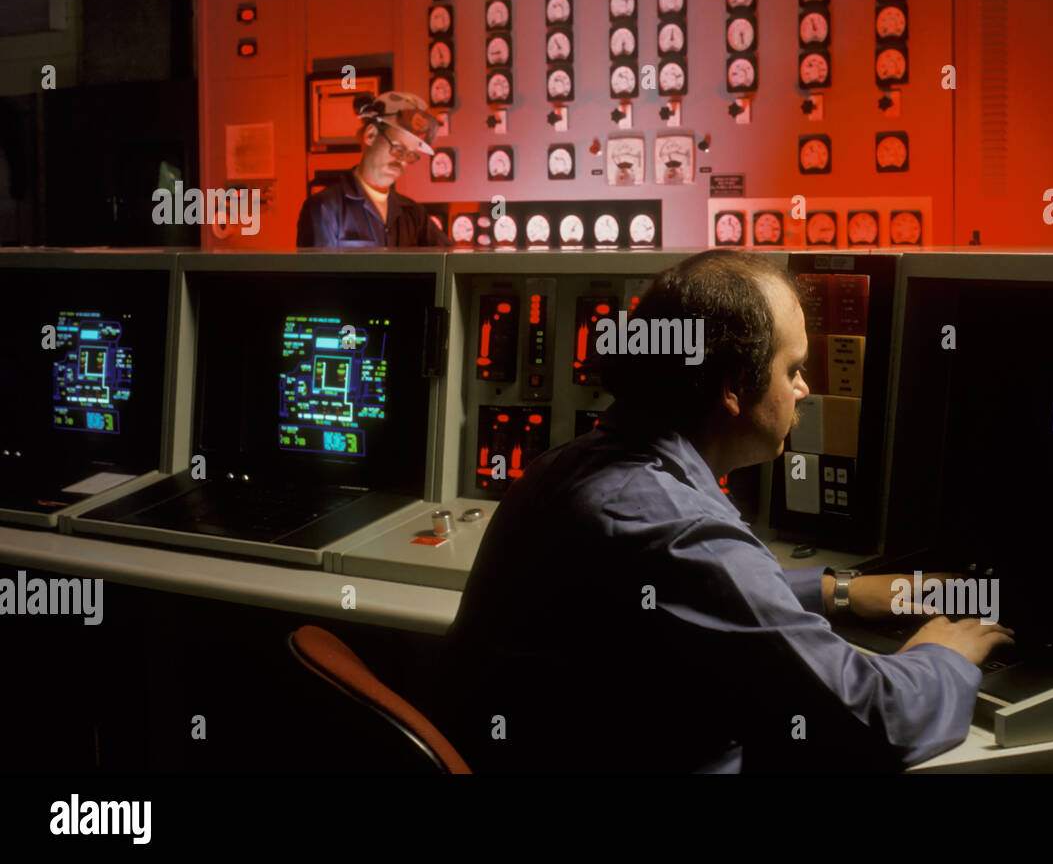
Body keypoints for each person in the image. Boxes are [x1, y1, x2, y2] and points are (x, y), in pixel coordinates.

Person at [433, 250, 1014, 772]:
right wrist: (945, 653)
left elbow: (711, 592)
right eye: (792, 369)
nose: (804, 390)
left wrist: (840, 591)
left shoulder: (571, 465)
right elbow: (879, 720)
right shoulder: (672, 529)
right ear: (734, 387)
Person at [296, 91, 452, 248]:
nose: (402, 162)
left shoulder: (413, 214)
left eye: (410, 155)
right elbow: (319, 272)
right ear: (370, 135)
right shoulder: (325, 208)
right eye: (398, 148)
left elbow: (451, 260)